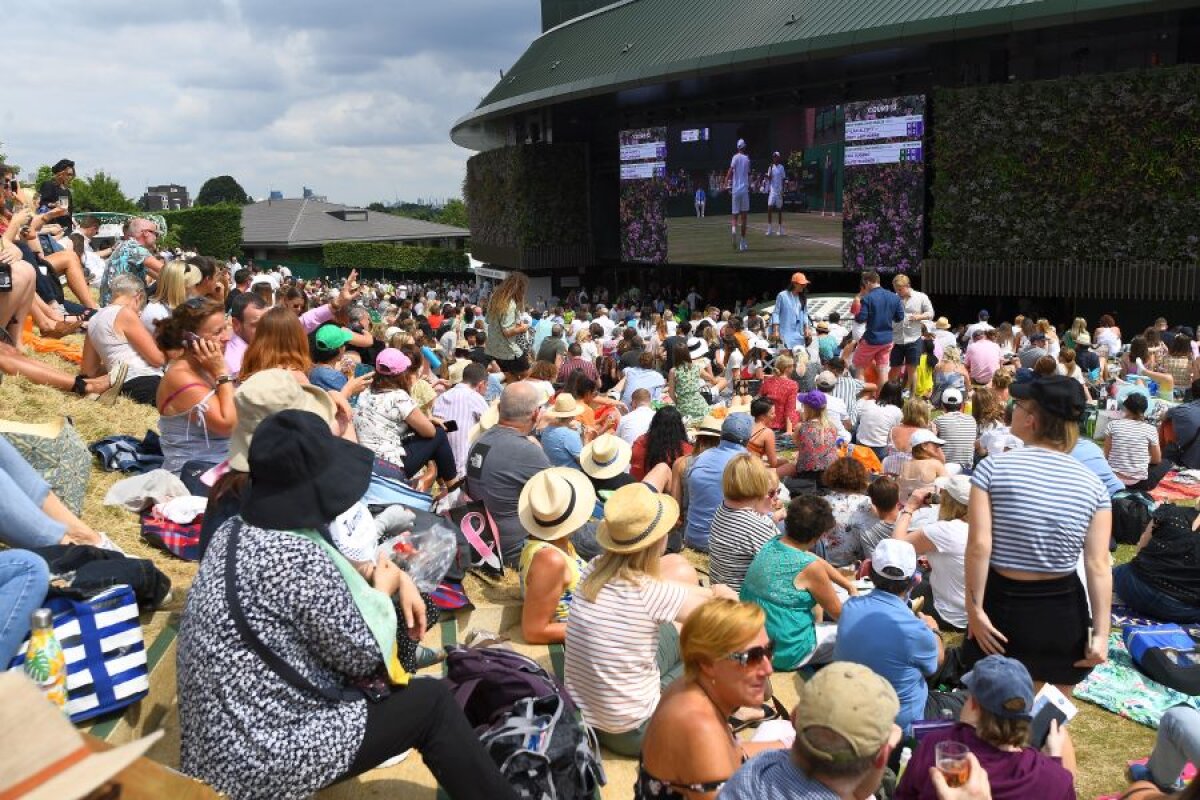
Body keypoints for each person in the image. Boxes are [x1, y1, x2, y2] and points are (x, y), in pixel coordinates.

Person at [178, 410, 518, 800]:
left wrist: (393, 578)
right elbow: (364, 657)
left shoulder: (234, 530)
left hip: (216, 745)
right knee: (432, 703)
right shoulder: (297, 557)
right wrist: (382, 594)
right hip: (259, 759)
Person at [963, 375, 1112, 690]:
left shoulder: (992, 468)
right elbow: (1098, 564)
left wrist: (974, 609)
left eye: (1018, 405)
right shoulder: (1094, 485)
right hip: (1063, 609)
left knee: (990, 706)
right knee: (1053, 711)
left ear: (1031, 419)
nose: (1012, 409)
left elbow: (979, 546)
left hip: (1003, 602)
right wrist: (1102, 633)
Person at [564, 482, 730, 756]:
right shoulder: (650, 593)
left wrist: (710, 592)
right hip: (637, 731)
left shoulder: (594, 568)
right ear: (658, 540)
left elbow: (671, 592)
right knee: (714, 650)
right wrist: (725, 596)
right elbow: (724, 617)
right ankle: (730, 711)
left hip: (586, 716)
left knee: (678, 627)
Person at [638, 599, 785, 799]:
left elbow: (733, 753)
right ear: (707, 662)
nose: (768, 669)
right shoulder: (701, 728)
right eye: (752, 657)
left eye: (768, 650)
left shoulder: (686, 686)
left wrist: (791, 745)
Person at [895, 655, 1076, 800]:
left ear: (974, 704)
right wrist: (1053, 760)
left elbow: (903, 795)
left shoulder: (936, 747)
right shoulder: (1054, 779)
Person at [720, 662, 902, 800]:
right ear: (880, 758)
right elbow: (860, 793)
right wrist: (885, 750)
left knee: (772, 727)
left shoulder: (757, 768)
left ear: (794, 717)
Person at [835, 539, 952, 734]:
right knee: (966, 700)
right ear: (915, 580)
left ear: (868, 571)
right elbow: (937, 662)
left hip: (851, 711)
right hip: (898, 728)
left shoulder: (849, 607)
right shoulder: (916, 630)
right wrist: (935, 630)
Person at [741, 495, 854, 670]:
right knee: (856, 635)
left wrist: (848, 584)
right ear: (818, 535)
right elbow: (841, 615)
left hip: (754, 640)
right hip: (786, 651)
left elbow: (811, 557)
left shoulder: (773, 543)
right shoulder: (811, 568)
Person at [467, 382, 561, 565]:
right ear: (535, 414)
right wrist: (538, 448)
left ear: (499, 409)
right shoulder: (528, 452)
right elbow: (559, 499)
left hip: (480, 536)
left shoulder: (480, 440)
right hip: (511, 548)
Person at [354, 348, 456, 488]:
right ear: (401, 373)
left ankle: (444, 484)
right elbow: (430, 432)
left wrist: (426, 420)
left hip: (365, 461)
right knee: (439, 433)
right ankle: (453, 487)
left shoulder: (365, 393)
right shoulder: (399, 397)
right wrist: (428, 422)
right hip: (389, 465)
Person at [156, 298, 236, 475]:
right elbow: (228, 425)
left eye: (225, 328)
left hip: (218, 468)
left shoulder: (206, 368)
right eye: (217, 332)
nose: (227, 337)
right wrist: (222, 373)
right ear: (190, 338)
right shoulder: (180, 377)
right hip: (193, 476)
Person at [517, 467, 596, 645]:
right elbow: (534, 631)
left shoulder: (557, 545)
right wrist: (604, 627)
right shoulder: (550, 560)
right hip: (580, 642)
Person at [897, 477, 971, 632]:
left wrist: (909, 507)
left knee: (898, 583)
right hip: (975, 614)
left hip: (950, 616)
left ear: (948, 501)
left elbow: (895, 547)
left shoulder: (946, 530)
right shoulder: (986, 525)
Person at [82, 273, 166, 405]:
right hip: (145, 379)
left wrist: (114, 364)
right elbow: (158, 360)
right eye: (140, 308)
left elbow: (89, 372)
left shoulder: (94, 320)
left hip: (124, 386)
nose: (139, 313)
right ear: (139, 297)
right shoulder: (126, 313)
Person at [708, 453, 785, 592]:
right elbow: (782, 570)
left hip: (720, 589)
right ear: (759, 483)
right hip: (743, 599)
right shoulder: (756, 526)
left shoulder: (723, 508)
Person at [1112, 503, 1200, 624]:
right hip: (1180, 608)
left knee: (1118, 572)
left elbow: (1140, 548)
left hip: (1133, 586)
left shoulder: (1171, 513)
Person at [684, 414, 752, 552]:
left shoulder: (700, 458)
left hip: (692, 536)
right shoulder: (747, 463)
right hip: (723, 544)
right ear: (747, 439)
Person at [432, 361, 489, 478]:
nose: (487, 389)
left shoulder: (442, 397)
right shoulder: (474, 397)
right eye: (486, 385)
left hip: (440, 466)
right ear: (481, 384)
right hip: (463, 468)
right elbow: (490, 427)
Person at [1105, 392, 1167, 490]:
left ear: (1126, 408)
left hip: (1114, 479)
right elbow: (1156, 459)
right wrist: (1143, 459)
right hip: (1139, 483)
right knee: (1166, 463)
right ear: (1144, 410)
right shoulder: (1150, 429)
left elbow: (1107, 455)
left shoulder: (1112, 425)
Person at [852, 271, 905, 384]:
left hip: (871, 339)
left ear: (867, 282)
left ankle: (859, 394)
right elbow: (900, 317)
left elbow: (860, 318)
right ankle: (883, 395)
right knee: (883, 370)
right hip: (887, 340)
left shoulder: (867, 298)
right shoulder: (894, 297)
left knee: (860, 368)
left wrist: (856, 312)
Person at [100, 218, 165, 306]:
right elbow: (169, 270)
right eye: (156, 234)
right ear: (145, 233)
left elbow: (160, 275)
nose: (156, 238)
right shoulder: (134, 248)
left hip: (112, 304)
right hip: (120, 307)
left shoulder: (125, 246)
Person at [485, 271, 532, 382]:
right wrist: (523, 328)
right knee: (528, 374)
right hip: (509, 350)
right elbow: (507, 332)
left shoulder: (494, 298)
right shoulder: (510, 304)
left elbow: (487, 320)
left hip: (494, 348)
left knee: (510, 377)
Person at [891, 274, 935, 389]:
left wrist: (919, 317)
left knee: (912, 369)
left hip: (913, 338)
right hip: (897, 339)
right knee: (894, 368)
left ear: (908, 286)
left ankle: (912, 395)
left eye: (900, 289)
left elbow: (931, 313)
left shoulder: (921, 297)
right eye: (896, 289)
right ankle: (892, 394)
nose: (898, 292)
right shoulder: (894, 298)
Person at [631, 404, 690, 481]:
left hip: (637, 485)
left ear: (654, 423)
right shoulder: (685, 450)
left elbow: (632, 460)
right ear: (679, 427)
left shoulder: (640, 442)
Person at [793, 389, 841, 481]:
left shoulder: (801, 427)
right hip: (830, 474)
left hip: (807, 475)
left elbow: (800, 446)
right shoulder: (833, 427)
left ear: (807, 408)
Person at [141, 260, 200, 334]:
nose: (194, 288)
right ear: (181, 287)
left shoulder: (172, 308)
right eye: (195, 284)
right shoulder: (157, 314)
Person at [898, 429, 951, 503]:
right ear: (924, 446)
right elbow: (949, 489)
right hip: (928, 508)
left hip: (905, 506)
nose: (938, 447)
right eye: (935, 444)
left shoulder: (904, 465)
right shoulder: (935, 464)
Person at [223, 293, 269, 377]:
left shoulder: (258, 347)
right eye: (258, 325)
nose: (266, 330)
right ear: (236, 324)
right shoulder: (236, 364)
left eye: (268, 324)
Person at [857, 379, 905, 461]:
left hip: (861, 445)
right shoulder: (897, 411)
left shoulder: (868, 403)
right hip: (880, 449)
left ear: (882, 391)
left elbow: (859, 418)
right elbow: (895, 432)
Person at [935, 388, 979, 472]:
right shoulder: (971, 420)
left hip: (944, 469)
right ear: (962, 405)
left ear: (942, 405)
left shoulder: (938, 420)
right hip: (967, 469)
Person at [539, 393, 588, 468]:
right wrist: (586, 439)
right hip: (571, 472)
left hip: (553, 470)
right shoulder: (570, 434)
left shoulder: (547, 429)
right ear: (572, 416)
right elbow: (583, 462)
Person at [667, 343, 712, 420]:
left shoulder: (673, 371)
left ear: (675, 355)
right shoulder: (696, 367)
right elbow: (710, 378)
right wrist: (705, 384)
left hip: (684, 409)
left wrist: (678, 405)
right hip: (700, 406)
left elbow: (671, 394)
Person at [759, 354, 800, 434]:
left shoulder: (767, 381)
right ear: (787, 368)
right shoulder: (792, 385)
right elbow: (790, 409)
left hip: (767, 422)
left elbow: (760, 401)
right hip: (782, 424)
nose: (793, 368)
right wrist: (789, 431)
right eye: (792, 366)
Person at [770, 272, 811, 351]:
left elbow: (805, 314)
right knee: (783, 355)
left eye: (805, 284)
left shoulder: (803, 297)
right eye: (802, 284)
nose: (804, 286)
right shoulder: (782, 295)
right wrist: (776, 331)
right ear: (794, 284)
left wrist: (807, 328)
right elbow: (776, 313)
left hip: (799, 334)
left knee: (798, 355)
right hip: (783, 332)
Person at [726, 138, 751, 252]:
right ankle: (742, 242)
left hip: (736, 191)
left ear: (737, 147)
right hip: (744, 190)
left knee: (734, 216)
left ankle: (733, 231)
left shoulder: (735, 157)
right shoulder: (747, 159)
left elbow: (730, 171)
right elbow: (747, 174)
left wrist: (725, 182)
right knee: (744, 218)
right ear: (744, 147)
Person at [765, 151, 787, 236]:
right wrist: (767, 176)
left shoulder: (782, 167)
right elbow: (769, 178)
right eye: (773, 157)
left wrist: (783, 190)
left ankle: (780, 229)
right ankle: (769, 229)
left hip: (779, 191)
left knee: (779, 210)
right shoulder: (770, 167)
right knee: (769, 208)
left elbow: (783, 179)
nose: (774, 158)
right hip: (772, 191)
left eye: (776, 157)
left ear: (778, 158)